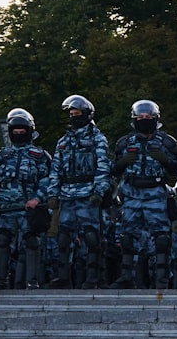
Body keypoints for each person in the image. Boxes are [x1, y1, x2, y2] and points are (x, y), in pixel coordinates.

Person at [108, 100, 177, 289]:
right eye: (140, 117)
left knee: (162, 237)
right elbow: (112, 169)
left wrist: (165, 160)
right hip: (131, 194)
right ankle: (126, 276)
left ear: (155, 119)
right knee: (127, 237)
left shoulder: (166, 142)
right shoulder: (124, 142)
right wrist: (123, 162)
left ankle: (162, 278)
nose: (144, 120)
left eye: (148, 118)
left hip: (156, 193)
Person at [46, 95, 113, 289]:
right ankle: (63, 276)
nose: (74, 117)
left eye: (77, 113)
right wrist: (53, 193)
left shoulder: (97, 138)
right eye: (71, 114)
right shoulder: (63, 141)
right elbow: (55, 169)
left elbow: (103, 167)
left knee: (92, 236)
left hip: (88, 193)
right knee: (64, 236)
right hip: (67, 194)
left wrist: (99, 191)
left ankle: (93, 278)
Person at [0, 108, 51, 290]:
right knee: (2, 240)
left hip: (29, 207)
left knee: (31, 240)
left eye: (22, 132)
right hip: (5, 207)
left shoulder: (40, 156)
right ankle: (0, 278)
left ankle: (32, 280)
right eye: (15, 132)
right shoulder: (2, 156)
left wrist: (37, 198)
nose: (18, 135)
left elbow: (47, 180)